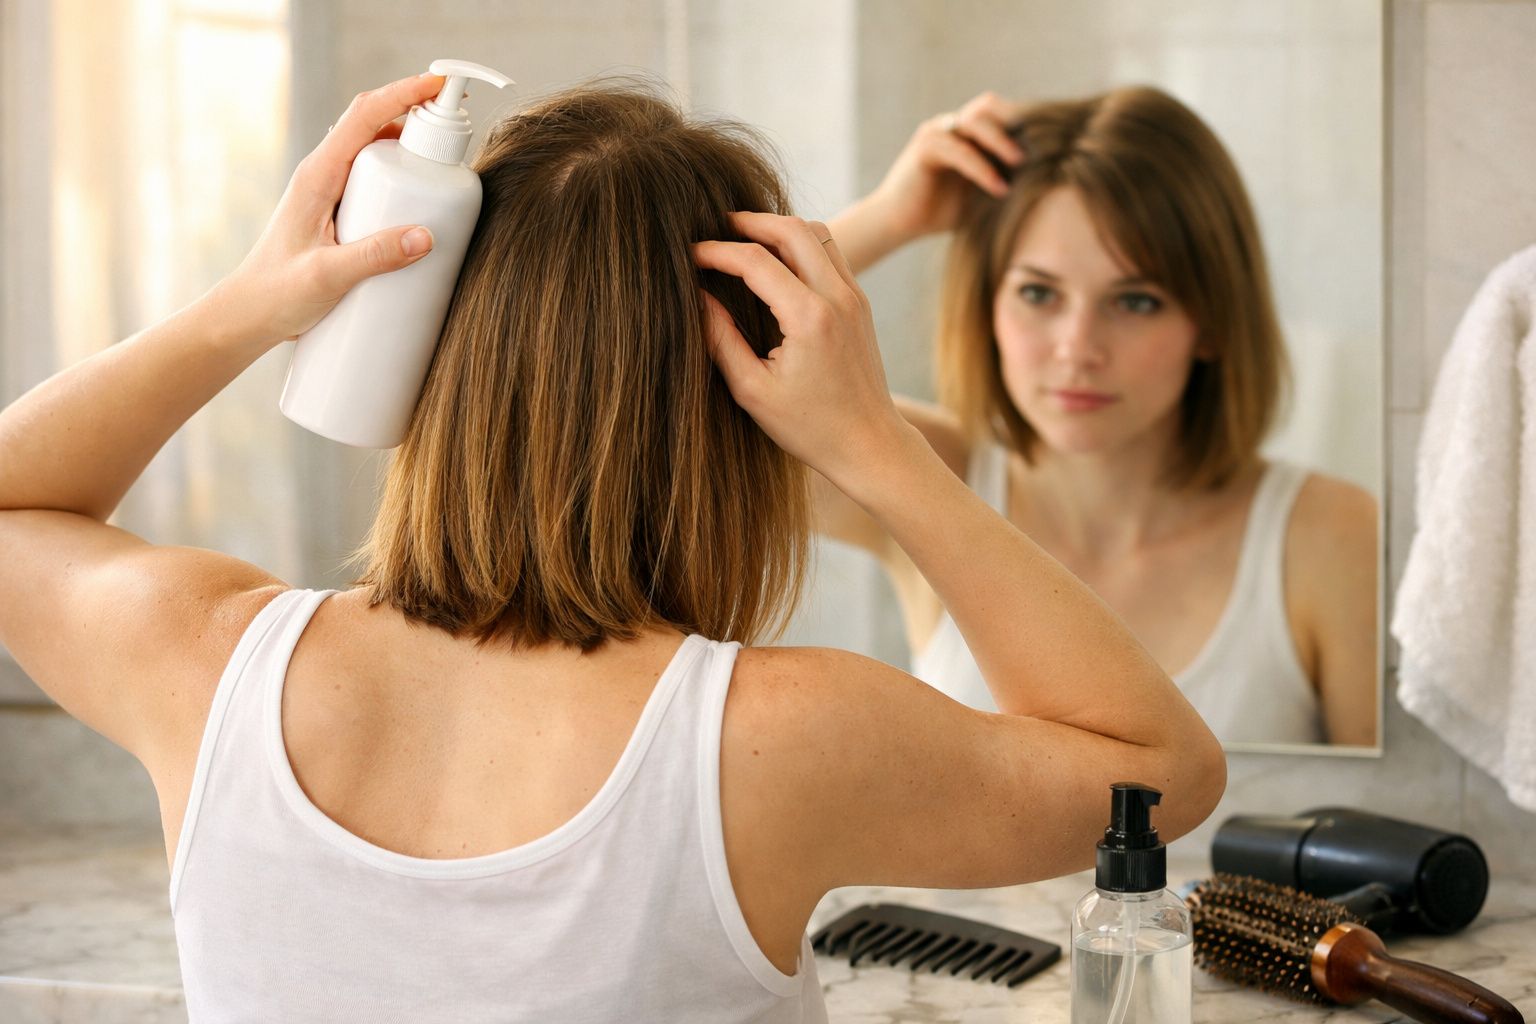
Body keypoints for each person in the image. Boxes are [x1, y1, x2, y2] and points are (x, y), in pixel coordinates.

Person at [0, 74, 1225, 1021]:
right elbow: (1160, 771)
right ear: (738, 423)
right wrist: (878, 447)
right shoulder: (772, 738)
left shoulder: (204, 661)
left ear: (433, 351)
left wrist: (254, 305)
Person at [824, 86, 1380, 748]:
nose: (1078, 349)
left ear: (1212, 322)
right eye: (1038, 293)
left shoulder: (1328, 536)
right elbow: (677, 399)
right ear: (986, 307)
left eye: (1135, 301)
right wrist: (889, 218)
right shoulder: (921, 474)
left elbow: (1406, 811)